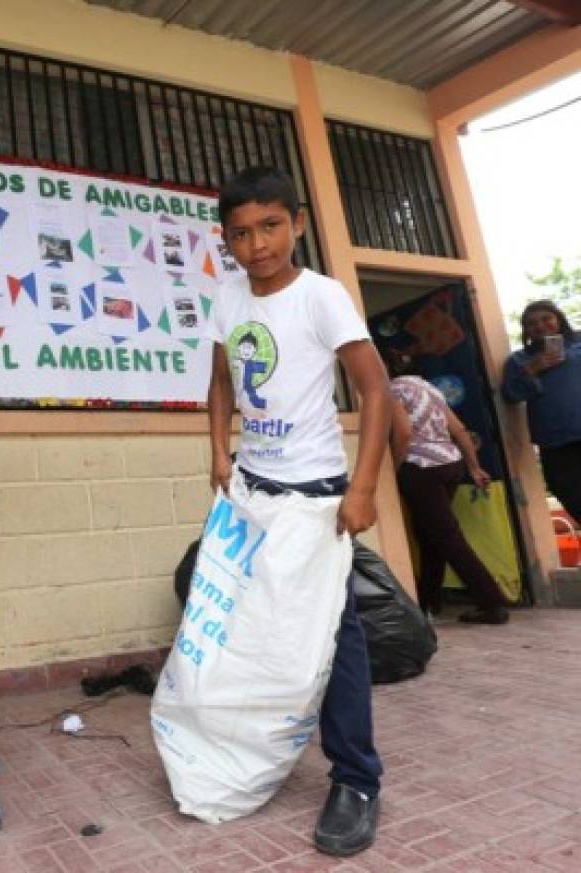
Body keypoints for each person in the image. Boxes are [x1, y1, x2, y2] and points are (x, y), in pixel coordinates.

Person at [207, 167, 390, 857]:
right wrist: (219, 451)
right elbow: (223, 377)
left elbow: (374, 390)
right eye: (241, 234)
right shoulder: (228, 295)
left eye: (271, 227)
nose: (257, 245)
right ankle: (253, 752)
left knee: (334, 635)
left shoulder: (322, 297)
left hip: (316, 495)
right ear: (226, 241)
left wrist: (363, 484)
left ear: (300, 224)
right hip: (254, 489)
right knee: (255, 624)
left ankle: (357, 778)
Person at [387, 352, 511, 623]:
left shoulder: (392, 389)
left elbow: (404, 433)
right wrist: (475, 467)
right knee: (431, 536)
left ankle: (491, 603)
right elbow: (459, 429)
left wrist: (393, 471)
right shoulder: (430, 389)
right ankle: (428, 602)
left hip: (421, 468)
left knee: (444, 535)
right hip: (450, 464)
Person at [501, 301, 581, 525]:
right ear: (525, 330)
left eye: (546, 318)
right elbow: (511, 395)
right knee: (568, 493)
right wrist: (532, 370)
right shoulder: (519, 360)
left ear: (559, 319)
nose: (540, 326)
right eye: (531, 323)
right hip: (554, 442)